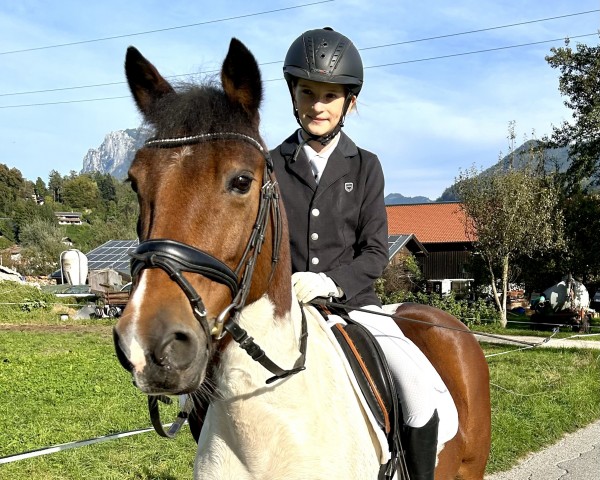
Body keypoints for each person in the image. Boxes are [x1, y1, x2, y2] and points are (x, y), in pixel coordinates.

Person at [270, 27, 457, 480]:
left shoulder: (366, 165)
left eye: (330, 95)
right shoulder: (269, 165)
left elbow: (375, 252)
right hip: (287, 310)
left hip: (356, 307)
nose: (318, 105)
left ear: (349, 102)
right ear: (293, 94)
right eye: (308, 92)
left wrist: (332, 283)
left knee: (416, 392)